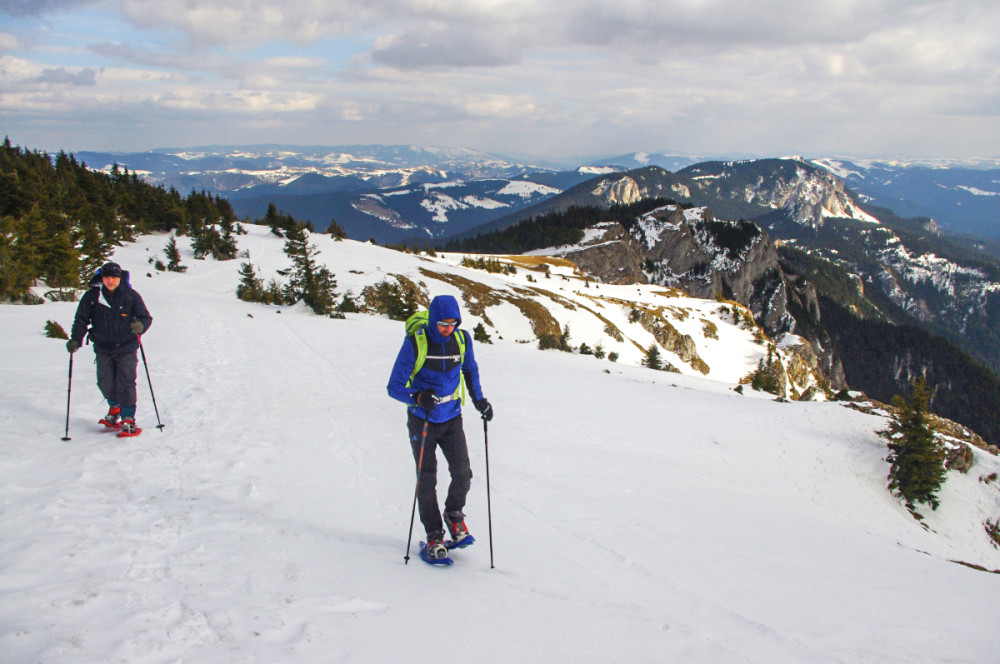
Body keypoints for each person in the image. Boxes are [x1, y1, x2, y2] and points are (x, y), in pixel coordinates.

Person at [387, 295, 493, 561]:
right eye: (443, 324)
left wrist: (480, 400)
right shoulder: (416, 342)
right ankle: (434, 533)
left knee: (462, 473)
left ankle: (453, 515)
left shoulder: (462, 339)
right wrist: (417, 397)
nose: (448, 328)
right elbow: (394, 386)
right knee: (427, 478)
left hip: (452, 416)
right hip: (423, 419)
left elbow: (470, 370)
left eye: (453, 323)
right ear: (434, 321)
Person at [67, 261, 153, 436]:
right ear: (102, 278)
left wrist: (140, 326)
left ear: (120, 278)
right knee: (104, 381)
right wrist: (76, 339)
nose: (110, 281)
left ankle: (128, 418)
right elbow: (81, 319)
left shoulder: (130, 295)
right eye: (107, 277)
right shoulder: (92, 296)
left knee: (126, 382)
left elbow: (146, 317)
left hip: (127, 346)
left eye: (114, 277)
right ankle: (115, 407)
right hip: (103, 346)